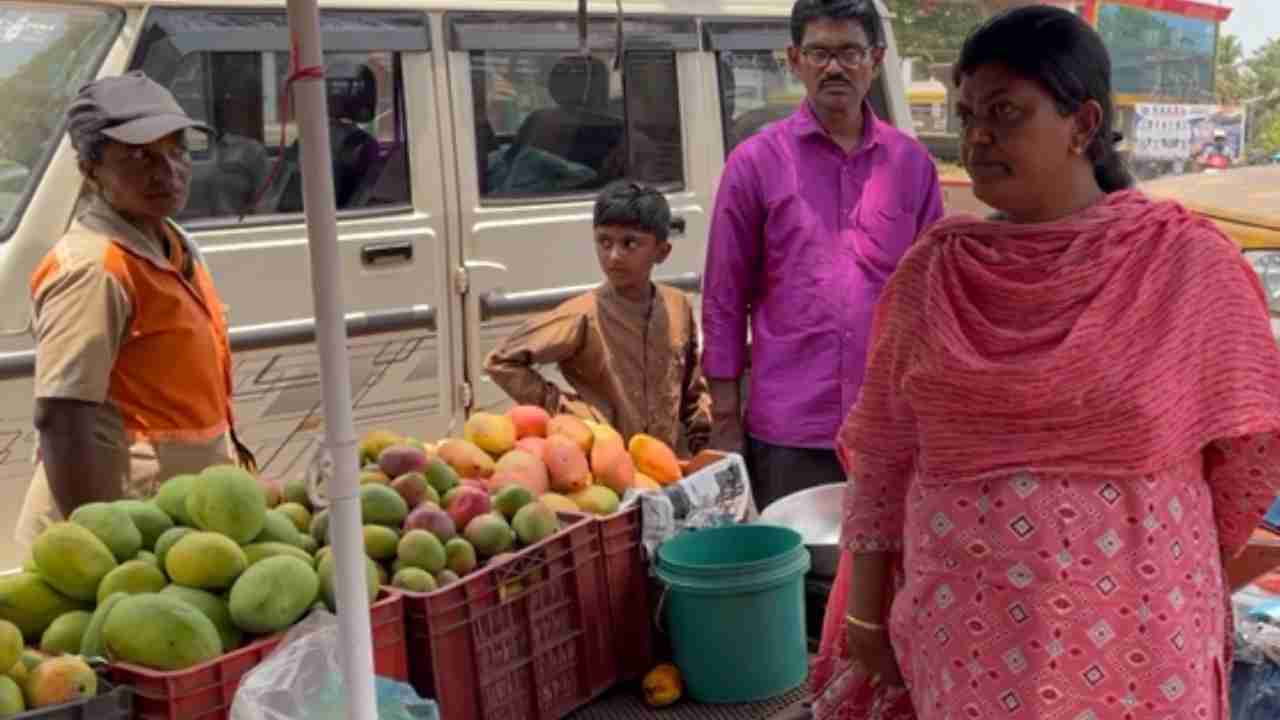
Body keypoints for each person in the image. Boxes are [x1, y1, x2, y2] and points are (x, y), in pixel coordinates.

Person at [811, 7, 1280, 720]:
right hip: (963, 641)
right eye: (968, 115)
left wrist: (1159, 548)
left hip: (1140, 635)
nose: (977, 137)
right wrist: (867, 620)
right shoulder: (933, 275)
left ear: (1084, 125)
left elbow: (1249, 454)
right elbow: (881, 457)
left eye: (1005, 113)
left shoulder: (1185, 267)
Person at [701, 0, 944, 512]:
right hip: (791, 429)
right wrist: (725, 421)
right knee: (799, 578)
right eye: (819, 52)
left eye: (850, 52)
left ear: (876, 60)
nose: (835, 67)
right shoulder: (755, 163)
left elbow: (934, 297)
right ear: (794, 60)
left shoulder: (912, 165)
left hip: (889, 423)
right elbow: (724, 296)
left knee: (889, 579)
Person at [16, 72, 253, 548]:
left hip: (168, 519)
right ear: (90, 169)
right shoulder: (93, 267)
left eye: (177, 150)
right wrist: (103, 546)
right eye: (139, 156)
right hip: (113, 529)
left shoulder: (170, 240)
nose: (167, 172)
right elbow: (61, 418)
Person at [484, 181, 711, 453]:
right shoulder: (582, 315)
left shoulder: (677, 306)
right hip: (606, 464)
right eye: (604, 242)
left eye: (630, 243)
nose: (614, 256)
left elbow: (692, 390)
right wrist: (570, 413)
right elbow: (502, 362)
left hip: (667, 463)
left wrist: (703, 447)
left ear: (661, 252)